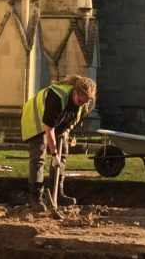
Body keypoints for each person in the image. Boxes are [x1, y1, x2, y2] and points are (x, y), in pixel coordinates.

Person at [20, 75, 96, 211]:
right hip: (35, 120)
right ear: (74, 93)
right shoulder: (56, 97)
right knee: (39, 157)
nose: (82, 104)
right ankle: (36, 198)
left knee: (64, 153)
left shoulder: (83, 103)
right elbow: (49, 129)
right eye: (80, 101)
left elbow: (74, 119)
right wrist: (54, 154)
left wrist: (67, 131)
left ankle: (57, 193)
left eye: (86, 102)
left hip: (58, 122)